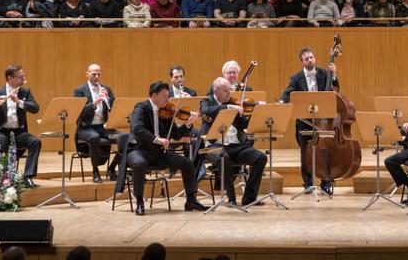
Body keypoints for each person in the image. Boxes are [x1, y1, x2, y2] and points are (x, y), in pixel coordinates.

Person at [125, 81, 206, 215]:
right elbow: (137, 129)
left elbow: (175, 135)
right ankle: (139, 202)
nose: (167, 99)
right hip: (139, 150)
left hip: (158, 153)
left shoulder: (166, 111)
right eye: (164, 96)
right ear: (154, 96)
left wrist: (188, 124)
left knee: (187, 163)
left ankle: (191, 200)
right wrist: (157, 139)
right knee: (139, 163)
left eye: (168, 96)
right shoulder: (141, 107)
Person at [199, 77, 267, 206]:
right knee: (223, 158)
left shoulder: (233, 103)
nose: (229, 93)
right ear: (216, 91)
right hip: (213, 146)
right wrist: (228, 107)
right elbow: (205, 112)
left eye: (229, 90)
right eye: (225, 91)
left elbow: (244, 124)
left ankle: (249, 197)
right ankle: (231, 199)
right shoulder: (207, 102)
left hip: (235, 146)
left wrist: (255, 112)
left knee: (260, 157)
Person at [279, 47, 338, 193]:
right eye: (306, 59)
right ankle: (308, 184)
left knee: (325, 152)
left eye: (311, 57)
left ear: (314, 58)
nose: (310, 60)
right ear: (302, 62)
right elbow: (289, 92)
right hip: (304, 121)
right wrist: (281, 102)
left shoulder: (325, 73)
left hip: (323, 121)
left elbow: (335, 90)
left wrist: (334, 75)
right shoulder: (296, 77)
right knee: (305, 153)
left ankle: (325, 183)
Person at [0, 65, 41, 188]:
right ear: (10, 78)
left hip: (18, 133)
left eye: (24, 76)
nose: (23, 79)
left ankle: (28, 177)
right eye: (20, 77)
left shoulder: (25, 92)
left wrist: (19, 102)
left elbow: (35, 108)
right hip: (0, 132)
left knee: (35, 142)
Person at [74, 64, 118, 183]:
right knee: (94, 137)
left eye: (99, 74)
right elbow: (78, 112)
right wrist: (95, 102)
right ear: (87, 74)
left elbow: (114, 107)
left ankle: (112, 168)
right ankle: (95, 171)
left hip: (102, 126)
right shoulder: (80, 90)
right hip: (85, 127)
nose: (97, 77)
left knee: (124, 138)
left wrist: (108, 99)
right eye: (94, 74)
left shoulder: (106, 89)